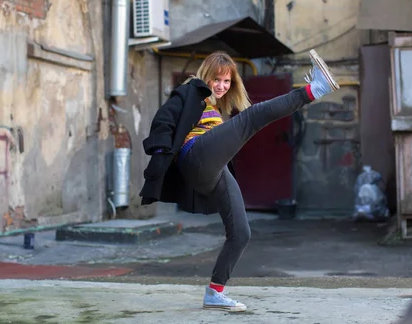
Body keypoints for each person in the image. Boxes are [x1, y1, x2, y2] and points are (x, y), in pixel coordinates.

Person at [140, 49, 339, 312]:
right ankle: (315, 89)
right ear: (206, 77)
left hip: (212, 168)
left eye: (227, 82)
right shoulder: (189, 91)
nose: (221, 86)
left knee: (241, 233)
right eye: (216, 80)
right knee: (251, 118)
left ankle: (215, 291)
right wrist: (159, 156)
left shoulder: (215, 108)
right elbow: (163, 120)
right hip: (194, 155)